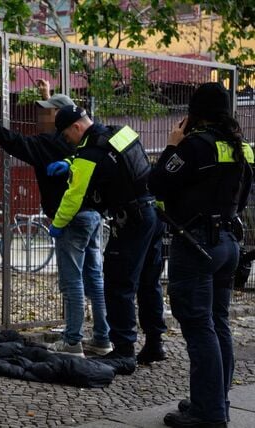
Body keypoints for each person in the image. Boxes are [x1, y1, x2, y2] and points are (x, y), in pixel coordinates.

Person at [0, 81, 110, 358]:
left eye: (47, 112)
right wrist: (48, 98)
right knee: (95, 278)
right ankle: (102, 337)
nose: (41, 116)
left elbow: (16, 143)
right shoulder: (87, 139)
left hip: (71, 218)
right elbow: (66, 114)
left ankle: (73, 341)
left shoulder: (47, 144)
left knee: (72, 280)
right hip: (94, 216)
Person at [149, 82, 252, 428]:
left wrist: (170, 146)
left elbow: (157, 184)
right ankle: (214, 402)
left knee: (199, 328)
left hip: (196, 245)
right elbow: (243, 197)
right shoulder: (241, 149)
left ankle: (208, 415)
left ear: (196, 114)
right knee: (218, 323)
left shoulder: (194, 147)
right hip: (227, 242)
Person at [47, 105, 167, 363]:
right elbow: (109, 161)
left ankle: (123, 351)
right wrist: (70, 163)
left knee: (118, 284)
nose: (67, 141)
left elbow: (74, 197)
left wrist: (57, 225)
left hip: (131, 220)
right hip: (153, 214)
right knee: (148, 282)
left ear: (76, 127)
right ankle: (155, 343)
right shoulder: (120, 132)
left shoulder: (90, 153)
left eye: (67, 135)